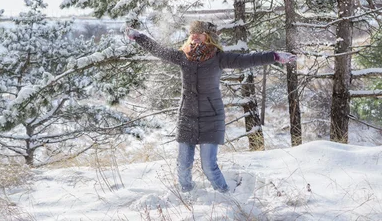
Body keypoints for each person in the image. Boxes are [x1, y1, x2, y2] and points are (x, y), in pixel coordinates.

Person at [125, 21, 296, 193]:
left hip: (211, 117)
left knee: (208, 165)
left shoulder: (219, 57)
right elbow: (158, 50)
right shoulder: (183, 56)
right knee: (183, 165)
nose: (195, 35)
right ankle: (188, 196)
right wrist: (139, 37)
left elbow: (247, 59)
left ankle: (225, 194)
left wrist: (273, 56)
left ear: (208, 36)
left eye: (200, 32)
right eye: (193, 32)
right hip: (187, 116)